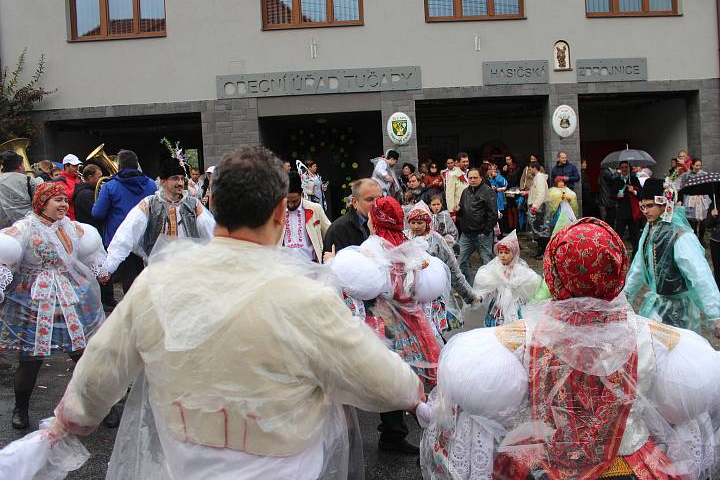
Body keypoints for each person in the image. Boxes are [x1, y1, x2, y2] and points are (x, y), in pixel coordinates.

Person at [12, 146, 424, 479]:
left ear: (212, 203)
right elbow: (386, 384)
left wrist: (63, 428)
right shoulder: (304, 297)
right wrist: (419, 392)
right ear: (282, 212)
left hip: (182, 461)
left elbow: (99, 371)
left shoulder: (157, 283)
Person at [419, 217, 720, 480]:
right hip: (630, 464)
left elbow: (485, 406)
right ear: (617, 270)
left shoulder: (511, 340)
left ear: (551, 271)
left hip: (541, 466)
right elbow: (685, 402)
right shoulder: (661, 340)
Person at [329, 196, 447, 456]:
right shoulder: (408, 246)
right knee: (411, 374)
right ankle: (431, 428)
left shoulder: (372, 248)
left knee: (388, 376)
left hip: (383, 322)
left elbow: (362, 284)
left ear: (375, 219)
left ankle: (395, 433)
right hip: (413, 322)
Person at [0, 182, 107, 429]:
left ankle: (103, 406)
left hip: (70, 296)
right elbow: (6, 256)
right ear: (42, 202)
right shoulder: (24, 228)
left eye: (64, 200)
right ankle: (21, 408)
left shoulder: (70, 227)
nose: (63, 204)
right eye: (57, 200)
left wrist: (99, 267)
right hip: (33, 300)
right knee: (30, 358)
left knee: (83, 355)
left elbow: (89, 252)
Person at [625, 178, 720, 338]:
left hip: (679, 312)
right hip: (655, 308)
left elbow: (699, 275)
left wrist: (714, 314)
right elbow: (639, 267)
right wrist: (626, 295)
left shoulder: (680, 235)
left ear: (665, 204)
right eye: (643, 206)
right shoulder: (649, 231)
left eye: (650, 206)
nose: (645, 211)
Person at [100, 156, 215, 278]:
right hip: (158, 271)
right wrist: (109, 267)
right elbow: (126, 234)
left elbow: (212, 233)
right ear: (163, 181)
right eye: (175, 179)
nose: (180, 183)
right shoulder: (149, 204)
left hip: (188, 271)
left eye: (182, 179)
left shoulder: (193, 205)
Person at [406, 201, 478, 335]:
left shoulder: (437, 240)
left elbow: (453, 269)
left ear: (427, 223)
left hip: (435, 296)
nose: (415, 226)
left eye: (420, 223)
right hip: (410, 297)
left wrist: (469, 295)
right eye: (412, 222)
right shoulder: (404, 238)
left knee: (434, 335)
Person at [91, 149, 158, 295]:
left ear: (119, 165)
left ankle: (133, 312)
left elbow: (97, 213)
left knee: (129, 282)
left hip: (121, 239)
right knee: (147, 279)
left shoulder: (109, 186)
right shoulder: (152, 184)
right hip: (147, 238)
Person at [473, 230, 543, 327]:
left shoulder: (519, 269)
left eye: (506, 253)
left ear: (513, 254)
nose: (503, 255)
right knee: (494, 332)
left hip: (513, 306)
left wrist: (515, 285)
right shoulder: (494, 267)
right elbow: (488, 284)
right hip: (497, 306)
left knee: (512, 332)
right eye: (500, 252)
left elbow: (531, 281)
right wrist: (481, 296)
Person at [456, 168, 498, 285]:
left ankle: (488, 289)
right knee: (460, 260)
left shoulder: (488, 192)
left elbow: (493, 214)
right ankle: (469, 287)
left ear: (481, 178)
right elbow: (462, 210)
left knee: (487, 263)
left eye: (475, 177)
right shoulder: (465, 192)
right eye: (470, 178)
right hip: (467, 234)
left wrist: (486, 231)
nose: (473, 180)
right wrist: (458, 211)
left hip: (482, 234)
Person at [281, 172, 330, 263]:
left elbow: (329, 233)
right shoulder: (276, 213)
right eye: (288, 201)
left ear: (301, 194)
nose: (291, 205)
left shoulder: (315, 209)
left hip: (312, 267)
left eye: (295, 201)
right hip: (285, 269)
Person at [323, 178, 381, 255]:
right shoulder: (338, 229)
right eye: (369, 199)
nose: (376, 204)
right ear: (354, 202)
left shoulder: (388, 224)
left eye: (380, 199)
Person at [0, 151, 38, 229]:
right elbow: (39, 204)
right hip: (29, 226)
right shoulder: (29, 180)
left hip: (5, 230)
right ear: (19, 166)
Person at [613, 161, 642, 253]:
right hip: (621, 211)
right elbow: (611, 194)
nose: (624, 169)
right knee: (619, 234)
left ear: (629, 169)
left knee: (634, 235)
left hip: (632, 211)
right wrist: (617, 196)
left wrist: (633, 191)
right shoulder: (616, 180)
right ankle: (618, 253)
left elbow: (641, 194)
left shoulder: (634, 179)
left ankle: (635, 254)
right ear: (620, 169)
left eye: (626, 167)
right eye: (622, 167)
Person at [679, 158, 710, 245]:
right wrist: (680, 199)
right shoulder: (686, 175)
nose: (698, 167)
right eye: (696, 165)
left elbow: (707, 185)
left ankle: (701, 237)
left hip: (701, 198)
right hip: (690, 198)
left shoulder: (704, 174)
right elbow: (682, 187)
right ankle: (694, 237)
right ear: (692, 165)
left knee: (703, 219)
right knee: (692, 220)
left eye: (700, 165)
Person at [526, 161, 549, 259]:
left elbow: (541, 193)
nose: (529, 171)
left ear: (534, 168)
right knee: (537, 231)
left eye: (530, 169)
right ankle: (540, 251)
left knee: (540, 230)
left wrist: (535, 206)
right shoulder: (537, 178)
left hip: (538, 208)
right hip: (536, 206)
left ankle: (543, 252)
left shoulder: (539, 178)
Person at [72, 164, 103, 232]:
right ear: (90, 177)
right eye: (99, 177)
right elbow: (97, 214)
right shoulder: (86, 194)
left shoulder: (88, 191)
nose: (101, 179)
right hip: (93, 230)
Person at [60, 154, 83, 221]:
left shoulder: (78, 177)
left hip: (81, 214)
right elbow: (66, 198)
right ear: (66, 166)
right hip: (71, 218)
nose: (77, 168)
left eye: (77, 166)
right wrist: (82, 186)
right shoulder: (60, 180)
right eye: (74, 166)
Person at [487, 164, 508, 233]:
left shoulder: (498, 177)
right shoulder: (486, 179)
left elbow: (505, 184)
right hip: (490, 202)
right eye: (491, 169)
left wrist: (496, 176)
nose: (492, 171)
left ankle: (501, 234)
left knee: (500, 219)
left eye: (494, 169)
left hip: (499, 201)